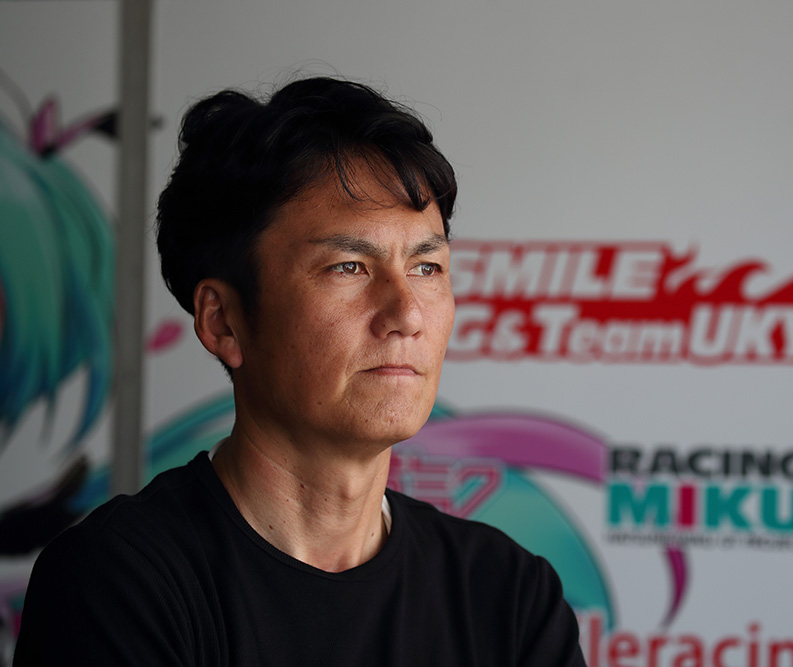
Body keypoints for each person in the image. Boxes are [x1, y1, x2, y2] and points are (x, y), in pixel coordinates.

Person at [13, 76, 585, 665]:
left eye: (427, 267)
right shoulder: (118, 582)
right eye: (348, 266)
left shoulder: (509, 595)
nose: (407, 314)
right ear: (224, 322)